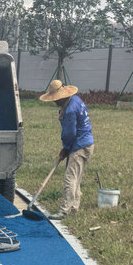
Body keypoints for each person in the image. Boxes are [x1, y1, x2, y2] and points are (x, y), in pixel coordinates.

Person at [39, 79, 94, 219]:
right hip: (87, 143)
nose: (54, 102)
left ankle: (64, 210)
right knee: (76, 177)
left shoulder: (69, 110)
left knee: (70, 178)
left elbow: (69, 133)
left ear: (61, 97)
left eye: (55, 99)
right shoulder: (75, 99)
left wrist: (66, 148)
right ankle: (74, 208)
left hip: (80, 145)